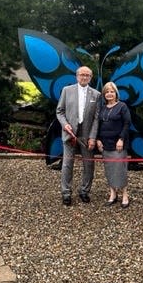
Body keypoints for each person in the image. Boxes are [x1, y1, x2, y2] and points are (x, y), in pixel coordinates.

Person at [56, 66, 101, 206]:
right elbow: (60, 111)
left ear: (91, 77)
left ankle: (84, 191)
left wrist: (93, 137)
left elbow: (96, 118)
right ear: (77, 76)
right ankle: (66, 193)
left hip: (87, 134)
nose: (84, 77)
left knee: (89, 164)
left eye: (87, 75)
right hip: (70, 133)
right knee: (67, 164)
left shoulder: (96, 94)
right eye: (82, 74)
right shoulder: (66, 91)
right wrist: (65, 124)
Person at [96, 82, 131, 208]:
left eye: (112, 91)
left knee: (120, 169)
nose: (109, 94)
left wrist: (121, 139)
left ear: (116, 93)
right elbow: (98, 125)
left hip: (118, 143)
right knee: (109, 168)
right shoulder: (102, 108)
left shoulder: (122, 106)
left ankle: (125, 194)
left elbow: (127, 124)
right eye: (107, 92)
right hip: (105, 143)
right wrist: (98, 139)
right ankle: (112, 193)